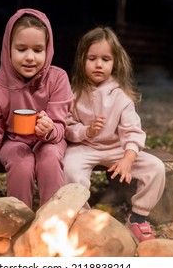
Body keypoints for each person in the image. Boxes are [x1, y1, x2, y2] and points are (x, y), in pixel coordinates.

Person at [0, 8, 73, 209]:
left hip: (50, 142)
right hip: (14, 142)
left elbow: (60, 127)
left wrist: (49, 129)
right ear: (8, 48)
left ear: (48, 49)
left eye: (37, 50)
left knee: (49, 156)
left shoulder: (57, 79)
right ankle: (18, 222)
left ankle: (53, 220)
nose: (29, 57)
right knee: (21, 161)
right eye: (21, 49)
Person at [63, 26, 165, 243]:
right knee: (70, 168)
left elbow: (132, 131)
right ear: (82, 60)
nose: (99, 64)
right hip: (84, 148)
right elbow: (68, 126)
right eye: (92, 58)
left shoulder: (121, 96)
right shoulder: (75, 93)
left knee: (156, 168)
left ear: (115, 63)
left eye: (105, 59)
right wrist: (86, 130)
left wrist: (128, 159)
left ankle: (138, 218)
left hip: (116, 149)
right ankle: (82, 217)